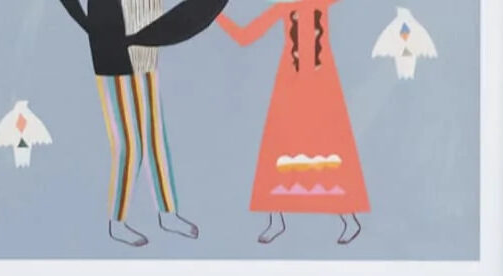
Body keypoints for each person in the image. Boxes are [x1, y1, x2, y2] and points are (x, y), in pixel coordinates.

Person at [54, 0, 230, 246]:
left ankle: (168, 213)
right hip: (112, 36)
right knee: (129, 146)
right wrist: (88, 24)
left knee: (155, 135)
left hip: (144, 28)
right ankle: (117, 221)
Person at [218, 1, 369, 245]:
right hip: (290, 88)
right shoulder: (283, 7)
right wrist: (215, 16)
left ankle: (348, 217)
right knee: (280, 146)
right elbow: (245, 36)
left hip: (323, 87)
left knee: (331, 146)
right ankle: (276, 219)